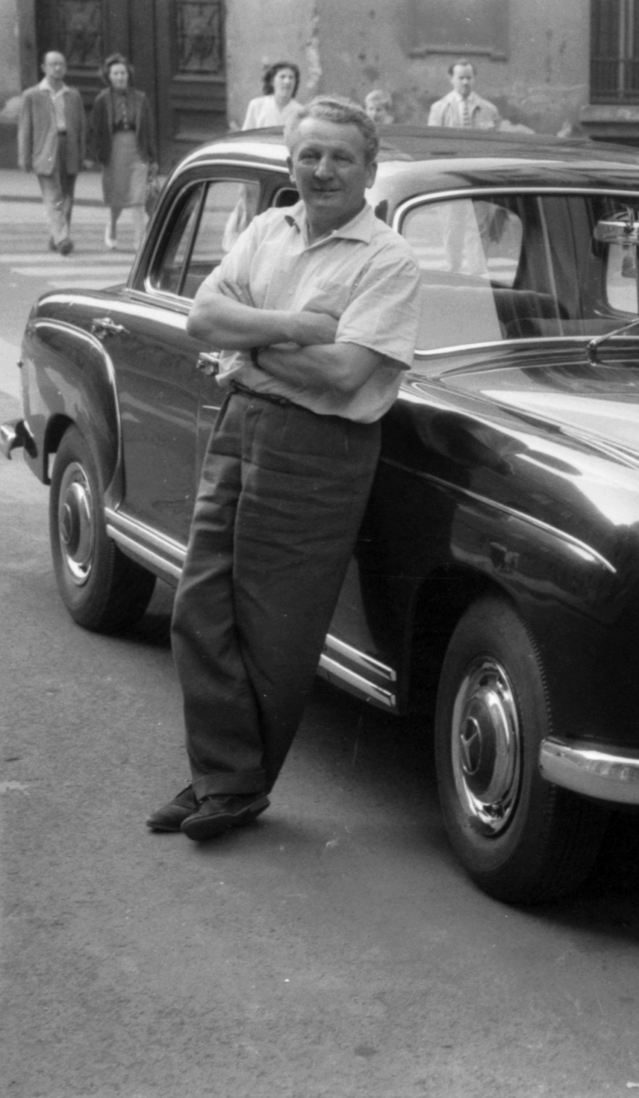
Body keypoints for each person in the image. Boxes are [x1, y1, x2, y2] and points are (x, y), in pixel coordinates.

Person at [146, 96, 421, 842]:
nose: (323, 169)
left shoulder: (387, 259)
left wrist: (252, 342)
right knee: (199, 605)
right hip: (242, 425)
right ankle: (222, 777)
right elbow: (204, 318)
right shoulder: (268, 228)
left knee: (278, 628)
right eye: (309, 155)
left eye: (340, 157)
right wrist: (296, 328)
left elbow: (341, 376)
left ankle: (232, 787)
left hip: (320, 449)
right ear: (290, 162)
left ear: (369, 169)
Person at [17, 50, 86, 255]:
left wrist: (82, 154)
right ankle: (63, 238)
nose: (57, 68)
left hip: (68, 146)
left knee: (67, 195)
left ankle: (56, 236)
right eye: (53, 64)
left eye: (61, 65)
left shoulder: (73, 95)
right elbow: (25, 129)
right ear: (43, 68)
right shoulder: (32, 95)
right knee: (52, 194)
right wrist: (24, 157)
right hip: (44, 149)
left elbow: (81, 126)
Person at [86, 53, 157, 251]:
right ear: (109, 76)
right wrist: (94, 156)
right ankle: (112, 227)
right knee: (117, 196)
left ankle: (139, 242)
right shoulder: (102, 100)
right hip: (114, 151)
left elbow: (149, 131)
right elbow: (96, 129)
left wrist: (153, 158)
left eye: (123, 73)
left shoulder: (141, 98)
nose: (120, 77)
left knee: (138, 198)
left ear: (129, 75)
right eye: (115, 73)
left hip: (137, 150)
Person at [426, 60, 500, 129]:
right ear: (451, 79)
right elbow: (433, 139)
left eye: (469, 78)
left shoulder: (489, 109)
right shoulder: (438, 108)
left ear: (474, 78)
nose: (465, 82)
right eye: (461, 78)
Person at [242, 60, 305, 136]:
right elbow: (246, 136)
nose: (287, 81)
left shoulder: (300, 111)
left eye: (291, 77)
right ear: (272, 81)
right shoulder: (256, 105)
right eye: (282, 77)